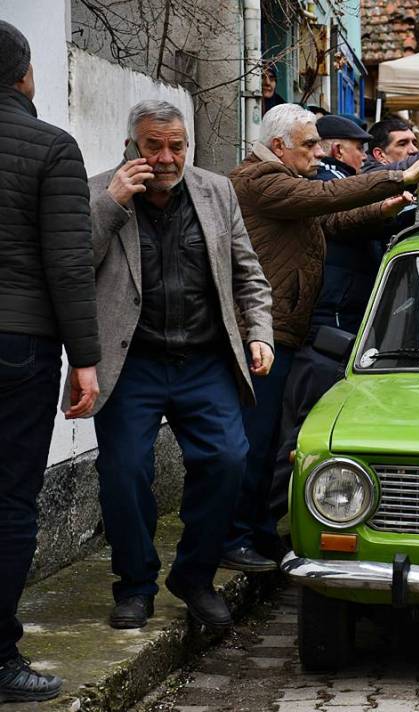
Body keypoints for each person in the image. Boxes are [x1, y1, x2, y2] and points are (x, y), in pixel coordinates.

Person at [88, 100, 274, 632]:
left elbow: (249, 275)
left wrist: (259, 333)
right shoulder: (100, 191)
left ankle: (193, 577)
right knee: (123, 472)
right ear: (132, 147)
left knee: (228, 459)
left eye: (177, 145)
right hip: (132, 362)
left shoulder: (217, 192)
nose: (167, 158)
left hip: (204, 358)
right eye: (154, 146)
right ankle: (135, 585)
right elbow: (73, 264)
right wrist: (113, 204)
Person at [225, 104, 419, 572]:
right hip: (261, 332)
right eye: (310, 145)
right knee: (253, 443)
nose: (319, 154)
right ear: (279, 147)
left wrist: (392, 204)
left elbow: (335, 220)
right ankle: (233, 536)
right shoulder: (258, 180)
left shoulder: (286, 182)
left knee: (270, 440)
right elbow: (328, 199)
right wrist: (399, 178)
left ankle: (256, 530)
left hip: (283, 330)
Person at [0, 21, 100, 702]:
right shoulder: (49, 146)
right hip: (19, 344)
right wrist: (85, 359)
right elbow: (68, 264)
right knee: (8, 503)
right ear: (24, 75)